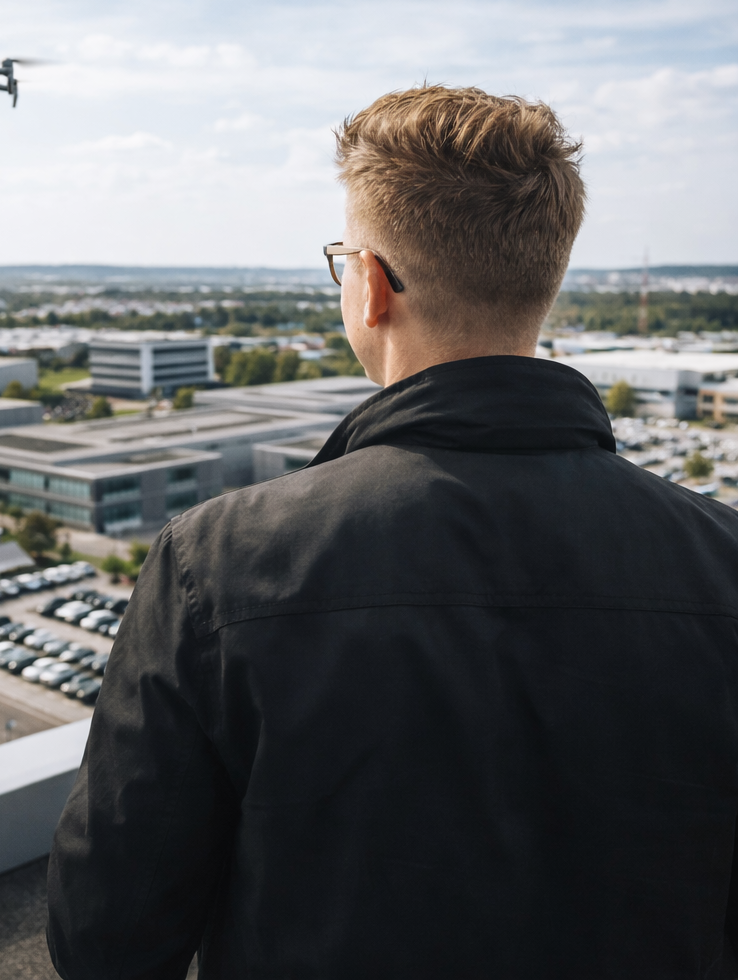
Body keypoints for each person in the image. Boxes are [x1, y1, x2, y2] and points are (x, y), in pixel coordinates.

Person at [48, 86, 738, 978]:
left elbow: (106, 937)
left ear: (371, 286)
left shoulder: (219, 563)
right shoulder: (723, 560)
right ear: (545, 281)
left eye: (343, 261)